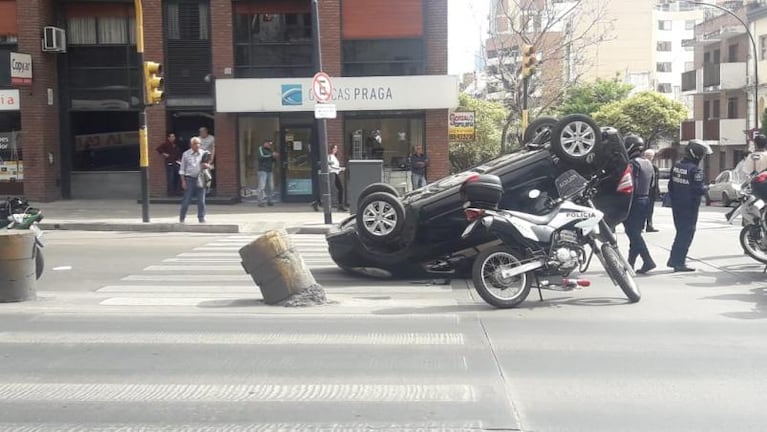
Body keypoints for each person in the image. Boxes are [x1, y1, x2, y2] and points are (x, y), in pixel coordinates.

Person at [667, 139, 713, 272]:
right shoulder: (696, 171)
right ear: (697, 154)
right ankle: (678, 262)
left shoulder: (676, 166)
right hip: (690, 207)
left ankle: (674, 260)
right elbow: (698, 189)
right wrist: (707, 188)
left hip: (677, 205)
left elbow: (671, 186)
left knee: (680, 232)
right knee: (686, 234)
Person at [623, 135, 656, 274]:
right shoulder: (648, 163)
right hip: (646, 200)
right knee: (635, 232)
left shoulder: (633, 163)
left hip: (634, 201)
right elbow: (652, 184)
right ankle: (630, 263)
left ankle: (647, 260)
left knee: (633, 233)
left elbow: (631, 185)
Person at [178, 137, 211, 223]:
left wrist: (207, 166)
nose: (197, 145)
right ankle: (182, 217)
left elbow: (208, 165)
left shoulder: (204, 153)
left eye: (198, 143)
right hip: (190, 179)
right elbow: (182, 169)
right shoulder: (186, 154)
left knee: (201, 201)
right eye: (195, 144)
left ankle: (201, 218)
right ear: (191, 145)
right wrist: (183, 181)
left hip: (201, 179)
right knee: (186, 200)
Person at [312, 144, 347, 212]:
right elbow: (330, 167)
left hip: (335, 174)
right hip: (332, 174)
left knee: (339, 189)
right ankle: (317, 202)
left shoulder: (334, 157)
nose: (336, 150)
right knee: (330, 189)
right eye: (335, 148)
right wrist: (340, 168)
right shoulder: (330, 156)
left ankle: (339, 205)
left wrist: (339, 169)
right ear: (332, 149)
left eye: (336, 148)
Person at [156, 132, 182, 196]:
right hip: (169, 163)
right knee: (170, 177)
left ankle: (177, 190)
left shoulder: (175, 145)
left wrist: (179, 159)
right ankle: (171, 192)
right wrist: (164, 154)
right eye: (171, 137)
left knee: (178, 175)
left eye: (174, 137)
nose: (173, 138)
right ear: (168, 138)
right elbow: (158, 149)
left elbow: (178, 153)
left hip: (176, 162)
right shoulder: (166, 144)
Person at [256, 139, 278, 207]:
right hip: (262, 170)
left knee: (271, 187)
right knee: (261, 186)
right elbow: (261, 157)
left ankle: (270, 201)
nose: (270, 145)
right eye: (268, 144)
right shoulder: (260, 149)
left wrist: (275, 157)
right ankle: (260, 202)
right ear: (265, 143)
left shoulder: (270, 151)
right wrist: (272, 155)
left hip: (269, 171)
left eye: (270, 144)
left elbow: (273, 160)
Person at [643, 149, 660, 233]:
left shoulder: (655, 168)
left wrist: (657, 192)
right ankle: (641, 226)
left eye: (651, 156)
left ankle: (649, 226)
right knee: (642, 209)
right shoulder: (641, 165)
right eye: (648, 156)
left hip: (652, 191)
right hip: (643, 191)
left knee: (650, 210)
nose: (649, 158)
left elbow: (656, 181)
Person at [199, 127, 216, 194]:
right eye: (200, 132)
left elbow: (213, 149)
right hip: (200, 159)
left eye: (202, 132)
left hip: (208, 158)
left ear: (206, 132)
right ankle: (201, 188)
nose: (201, 133)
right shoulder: (198, 139)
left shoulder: (211, 138)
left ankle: (208, 188)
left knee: (208, 174)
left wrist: (212, 159)